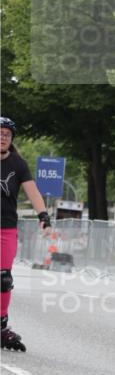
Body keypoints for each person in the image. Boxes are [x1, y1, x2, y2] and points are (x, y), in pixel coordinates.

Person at [0, 116, 52, 351]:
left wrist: (44, 217)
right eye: (0, 133)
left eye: (7, 135)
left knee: (3, 279)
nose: (3, 137)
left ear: (11, 139)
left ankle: (1, 327)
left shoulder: (18, 165)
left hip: (7, 228)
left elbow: (34, 194)